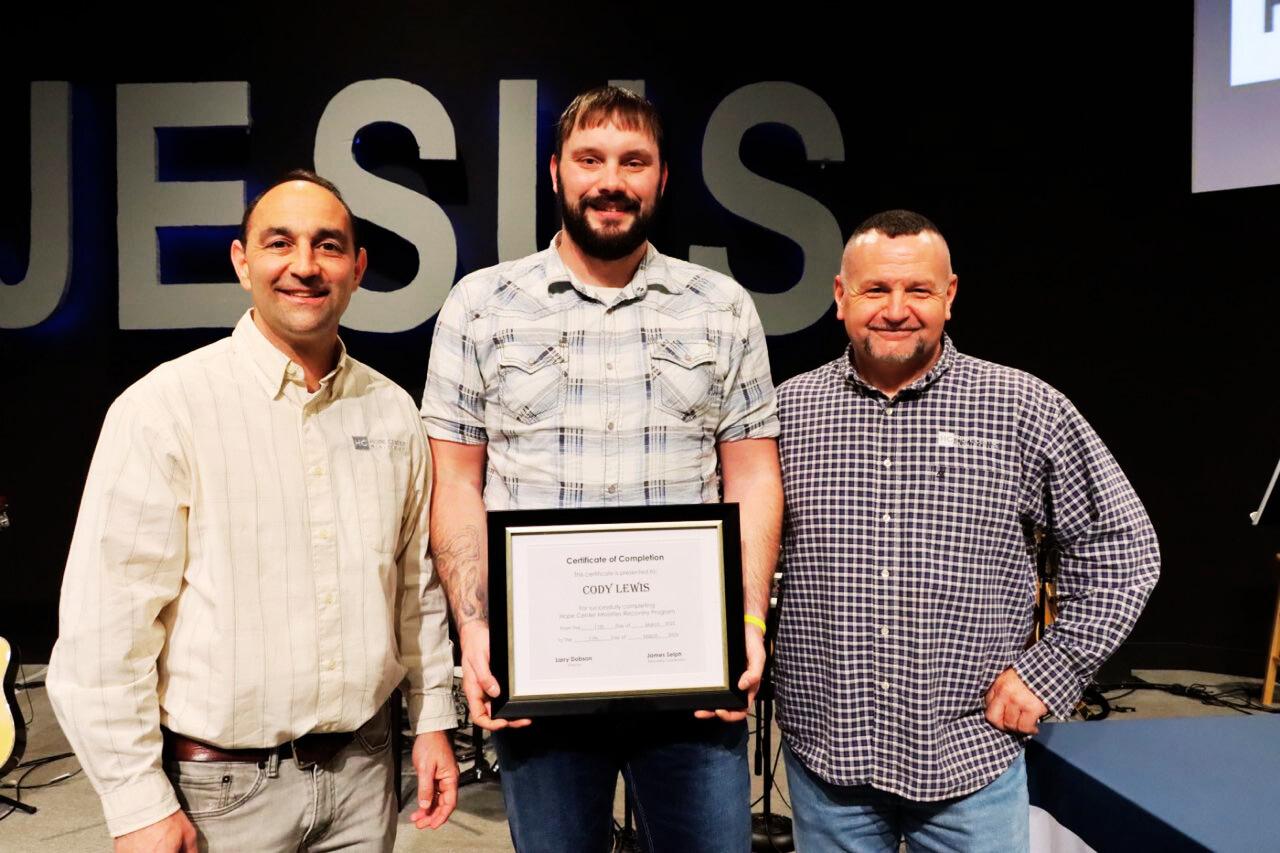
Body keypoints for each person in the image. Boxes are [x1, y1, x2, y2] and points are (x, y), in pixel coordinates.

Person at [47, 171, 458, 852]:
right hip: (221, 795)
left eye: (328, 245)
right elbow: (105, 628)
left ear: (357, 269)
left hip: (365, 777)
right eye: (280, 243)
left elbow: (416, 590)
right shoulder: (164, 410)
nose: (305, 265)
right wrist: (136, 802)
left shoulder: (392, 412)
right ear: (242, 262)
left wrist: (435, 717)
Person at [422, 85, 782, 852]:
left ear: (662, 178)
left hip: (691, 677)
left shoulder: (721, 307)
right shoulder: (480, 305)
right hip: (539, 676)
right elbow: (454, 482)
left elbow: (753, 475)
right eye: (590, 159)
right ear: (556, 171)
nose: (610, 180)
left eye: (633, 161)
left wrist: (747, 623)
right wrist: (475, 626)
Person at [773, 209, 1160, 851]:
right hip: (828, 762)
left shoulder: (1025, 407)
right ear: (841, 296)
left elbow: (1123, 549)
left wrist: (1050, 670)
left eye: (918, 290)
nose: (896, 310)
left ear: (949, 295)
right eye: (875, 289)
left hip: (969, 763)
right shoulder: (786, 413)